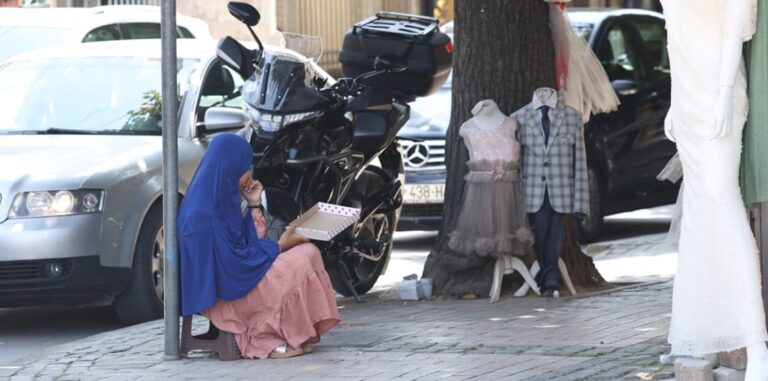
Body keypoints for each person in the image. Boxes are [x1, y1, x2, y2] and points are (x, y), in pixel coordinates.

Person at [661, 0, 768, 379]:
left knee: (724, 207)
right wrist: (675, 102)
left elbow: (734, 31)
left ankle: (756, 343)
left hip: (718, 95)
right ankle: (701, 332)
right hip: (686, 101)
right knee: (699, 216)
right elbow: (675, 37)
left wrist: (723, 94)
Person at [178, 133, 340, 359]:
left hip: (240, 279)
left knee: (309, 252)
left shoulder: (220, 198)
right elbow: (232, 268)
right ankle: (261, 337)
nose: (249, 174)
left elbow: (248, 245)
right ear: (230, 166)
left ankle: (296, 333)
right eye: (246, 167)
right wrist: (280, 246)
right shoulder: (202, 214)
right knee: (302, 258)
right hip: (227, 295)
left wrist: (254, 203)